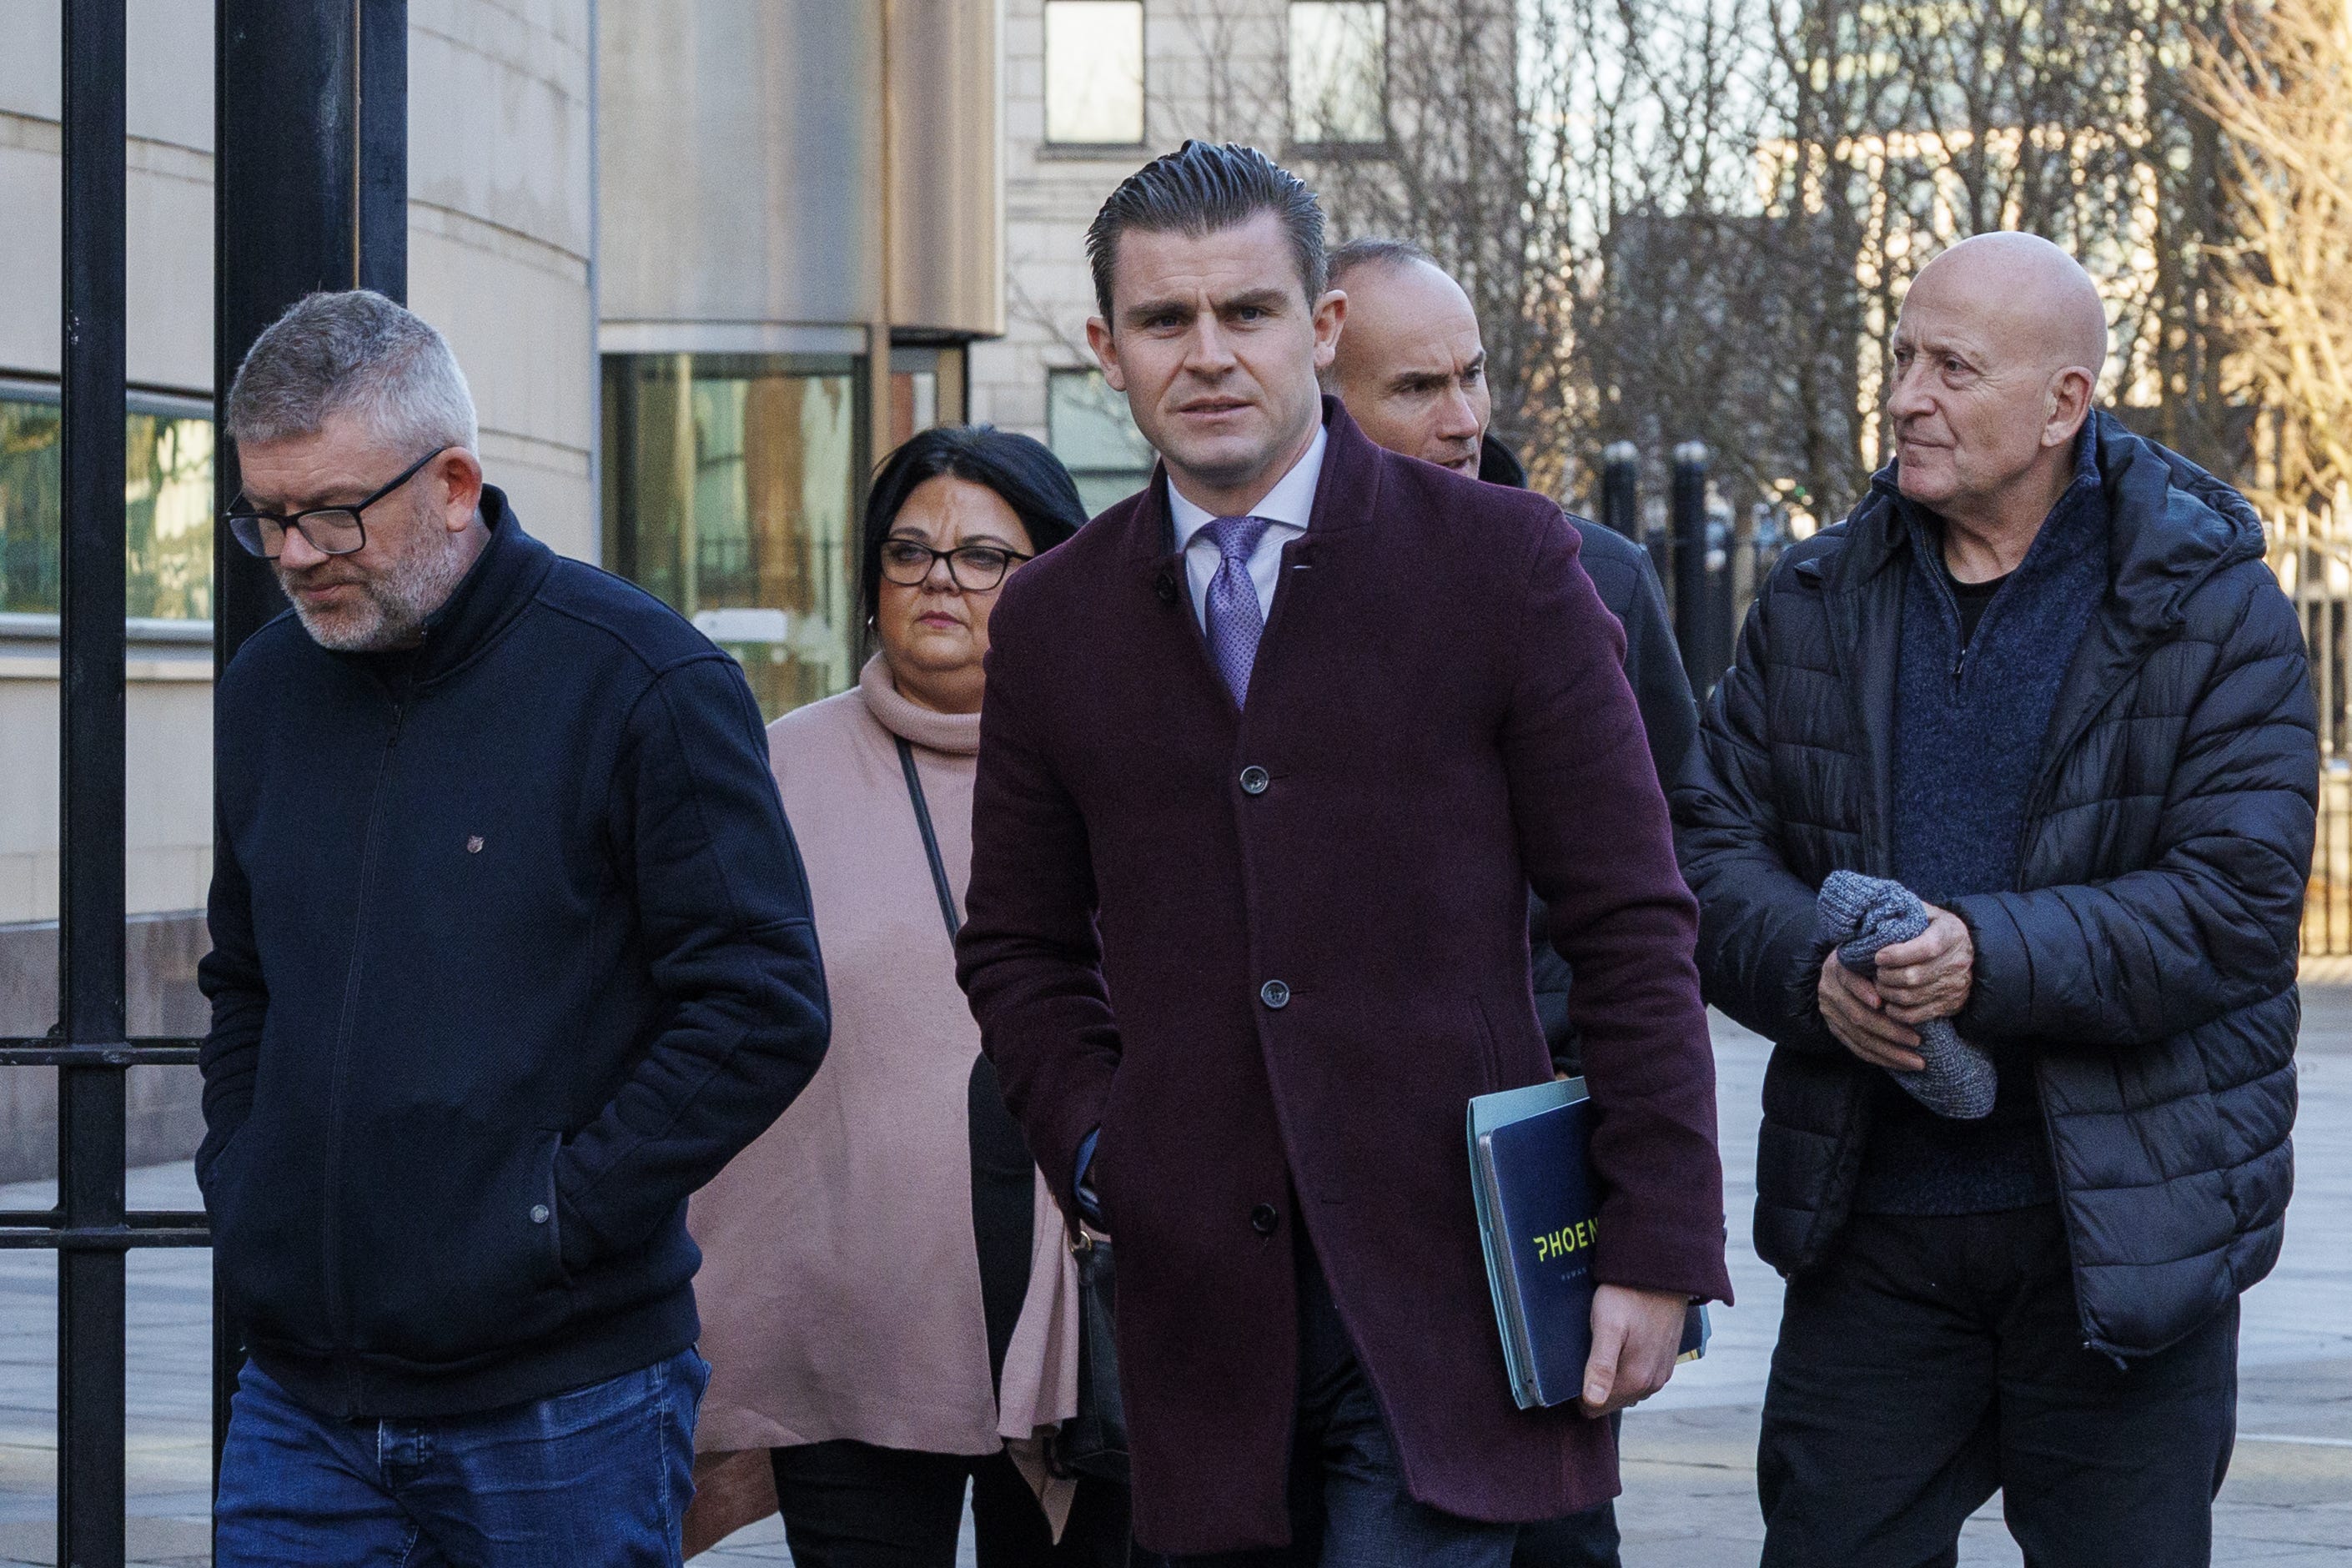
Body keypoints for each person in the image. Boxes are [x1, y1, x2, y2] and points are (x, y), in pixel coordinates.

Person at [956, 139, 1731, 1566]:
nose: (1208, 355)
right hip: (1200, 1294)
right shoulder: (1057, 620)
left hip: (1452, 1281)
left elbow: (1631, 917)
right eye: (1163, 321)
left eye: (1247, 312)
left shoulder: (1505, 566)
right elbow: (1018, 945)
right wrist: (1104, 1150)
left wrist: (1658, 1244)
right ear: (1105, 351)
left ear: (1319, 329)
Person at [1675, 232, 2317, 1565]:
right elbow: (1707, 854)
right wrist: (1817, 975)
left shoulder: (2213, 608)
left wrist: (1982, 957)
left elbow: (2237, 906)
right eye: (1903, 355)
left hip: (2123, 1247)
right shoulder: (1811, 597)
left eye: (1953, 367)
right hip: (1876, 1236)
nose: (1907, 393)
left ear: (2063, 404)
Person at [198, 289, 832, 1565]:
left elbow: (764, 1003)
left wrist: (556, 1216)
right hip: (301, 1404)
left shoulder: (644, 680)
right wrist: (244, 1183)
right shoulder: (267, 691)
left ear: (453, 483)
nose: (298, 552)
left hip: (568, 1404)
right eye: (267, 517)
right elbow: (245, 977)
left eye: (333, 511)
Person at [683, 426, 1128, 1566]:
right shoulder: (774, 768)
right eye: (910, 550)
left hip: (1086, 1321)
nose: (941, 579)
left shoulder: (1126, 768)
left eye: (987, 556)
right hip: (848, 1321)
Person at [1322, 239, 1696, 1568]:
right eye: (1419, 386)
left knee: (1554, 1521)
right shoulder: (1259, 597)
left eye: (1474, 375)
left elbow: (1668, 866)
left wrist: (1636, 1182)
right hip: (1333, 1171)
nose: (1467, 418)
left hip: (1541, 1148)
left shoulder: (1595, 576)